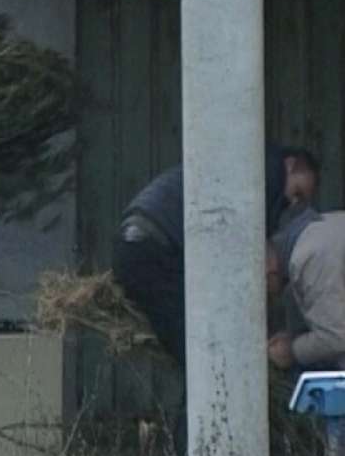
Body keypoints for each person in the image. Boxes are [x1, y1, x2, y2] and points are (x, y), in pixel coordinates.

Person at [112, 144, 319, 367]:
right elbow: (251, 250)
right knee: (199, 351)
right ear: (290, 165)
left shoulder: (241, 166)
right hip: (154, 248)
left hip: (137, 240)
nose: (293, 203)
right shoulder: (267, 175)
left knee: (191, 344)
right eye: (297, 193)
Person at [267, 209, 345, 371]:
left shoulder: (308, 258)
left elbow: (336, 336)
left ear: (269, 271)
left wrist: (292, 350)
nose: (271, 296)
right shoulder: (315, 232)